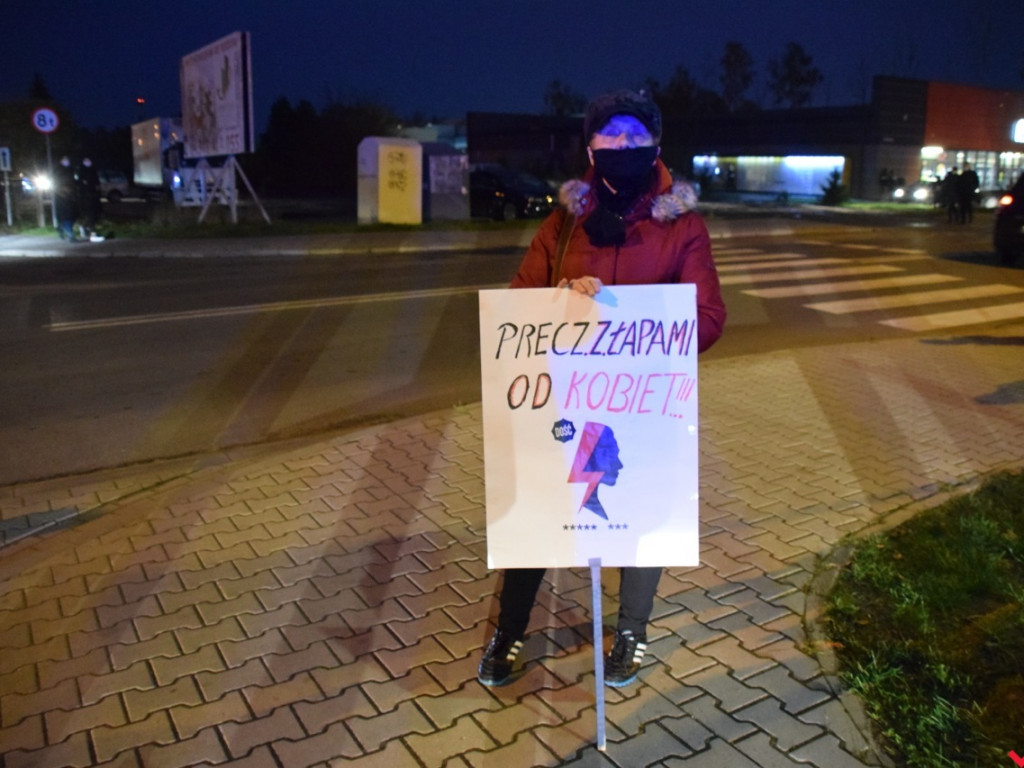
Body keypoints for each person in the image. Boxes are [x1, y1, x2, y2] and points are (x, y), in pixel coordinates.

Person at [478, 89, 727, 689]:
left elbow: (709, 316)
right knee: (539, 509)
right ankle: (511, 631)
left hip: (643, 404)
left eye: (634, 137)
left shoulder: (682, 225)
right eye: (609, 137)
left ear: (656, 146)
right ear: (590, 147)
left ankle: (633, 630)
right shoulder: (563, 222)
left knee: (639, 512)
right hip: (564, 399)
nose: (622, 147)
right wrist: (564, 298)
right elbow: (520, 305)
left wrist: (639, 318)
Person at [75, 157, 104, 241]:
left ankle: (89, 230)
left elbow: (97, 182)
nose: (88, 162)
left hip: (93, 197)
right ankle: (91, 232)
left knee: (93, 216)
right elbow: (80, 184)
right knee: (89, 216)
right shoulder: (81, 172)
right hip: (85, 198)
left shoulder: (93, 170)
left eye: (89, 160)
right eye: (86, 161)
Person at [54, 155, 79, 241]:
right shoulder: (57, 171)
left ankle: (61, 228)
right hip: (62, 196)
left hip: (71, 196)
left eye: (67, 160)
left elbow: (75, 181)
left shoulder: (72, 170)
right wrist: (62, 192)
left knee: (72, 215)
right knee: (66, 216)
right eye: (65, 160)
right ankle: (71, 235)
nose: (67, 161)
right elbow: (56, 184)